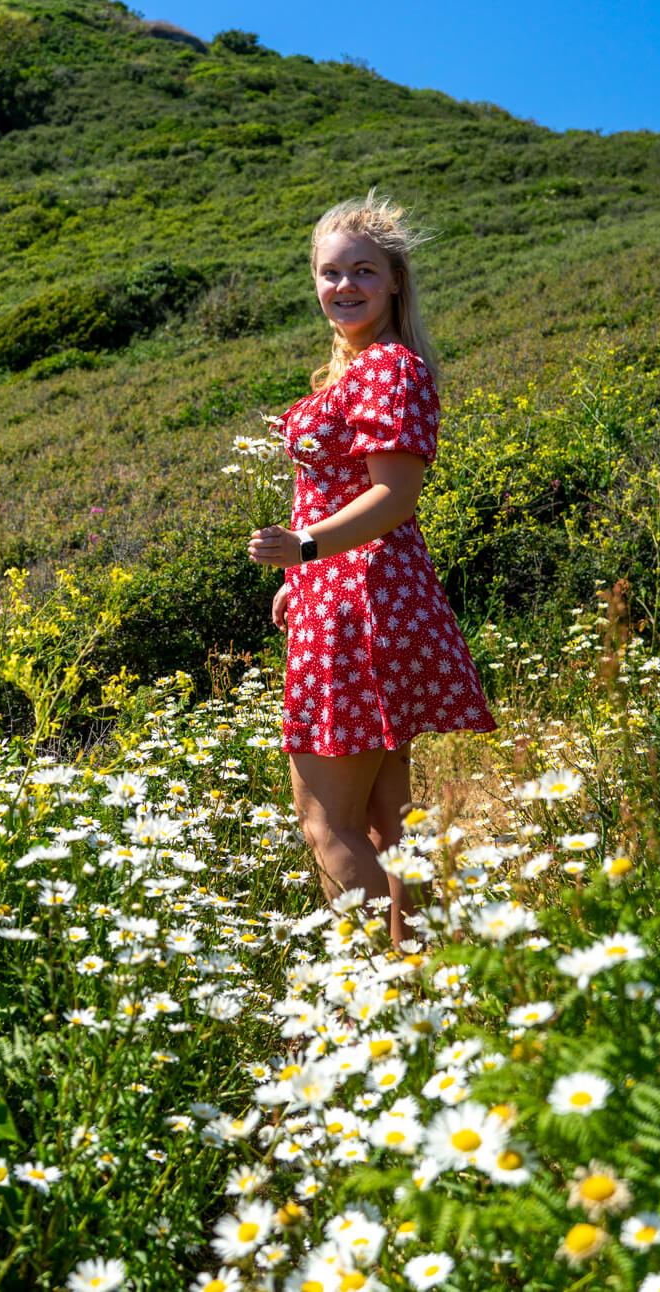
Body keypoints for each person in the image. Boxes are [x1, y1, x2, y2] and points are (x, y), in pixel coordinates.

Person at [248, 191, 495, 943]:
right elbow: (354, 490)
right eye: (330, 273)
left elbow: (396, 493)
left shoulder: (387, 368)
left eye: (362, 270)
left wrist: (307, 552)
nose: (344, 286)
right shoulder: (367, 369)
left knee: (326, 823)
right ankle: (423, 980)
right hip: (365, 597)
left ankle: (366, 993)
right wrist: (301, 581)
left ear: (395, 282)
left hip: (358, 601)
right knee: (392, 824)